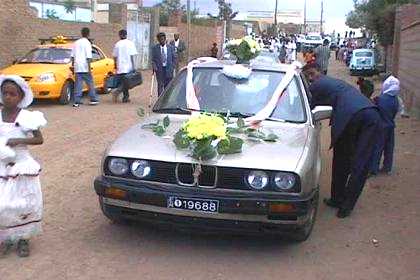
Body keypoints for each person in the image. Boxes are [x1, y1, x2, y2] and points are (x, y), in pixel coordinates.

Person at [302, 64, 381, 218]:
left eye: (310, 75)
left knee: (348, 161)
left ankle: (342, 203)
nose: (310, 79)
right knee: (354, 161)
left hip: (355, 117)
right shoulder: (334, 82)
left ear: (314, 73)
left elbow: (307, 109)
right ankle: (341, 201)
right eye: (308, 77)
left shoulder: (316, 86)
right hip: (370, 115)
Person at [0, 75, 47, 257]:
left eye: (13, 94)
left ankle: (23, 239)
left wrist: (18, 140)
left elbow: (39, 139)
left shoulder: (27, 117)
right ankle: (7, 238)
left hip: (22, 167)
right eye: (5, 93)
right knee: (4, 204)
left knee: (24, 204)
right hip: (3, 167)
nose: (8, 97)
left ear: (21, 97)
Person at [369, 75, 400, 175]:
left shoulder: (379, 99)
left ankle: (373, 168)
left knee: (377, 147)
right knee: (389, 148)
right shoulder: (396, 100)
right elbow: (397, 112)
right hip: (391, 126)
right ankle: (387, 167)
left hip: (381, 127)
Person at [71, 27, 99, 107]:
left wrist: (73, 66)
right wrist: (89, 68)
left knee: (78, 84)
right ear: (88, 34)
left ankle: (77, 101)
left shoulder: (76, 43)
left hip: (77, 67)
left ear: (81, 33)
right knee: (90, 83)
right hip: (85, 67)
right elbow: (89, 57)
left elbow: (72, 56)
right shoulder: (87, 43)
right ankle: (93, 99)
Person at [112, 29, 138, 103]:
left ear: (120, 35)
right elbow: (132, 56)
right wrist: (134, 66)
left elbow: (115, 56)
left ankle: (125, 97)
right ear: (126, 35)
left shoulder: (117, 44)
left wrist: (115, 65)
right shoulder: (130, 43)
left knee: (123, 82)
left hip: (120, 66)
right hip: (128, 67)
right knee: (126, 83)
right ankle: (118, 91)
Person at [152, 32, 176, 96]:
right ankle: (160, 100)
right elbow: (153, 60)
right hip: (159, 70)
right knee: (160, 85)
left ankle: (166, 99)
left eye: (162, 39)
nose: (161, 41)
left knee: (168, 86)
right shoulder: (155, 48)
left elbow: (174, 58)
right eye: (160, 40)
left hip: (168, 69)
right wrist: (154, 66)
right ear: (158, 40)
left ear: (165, 39)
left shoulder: (170, 47)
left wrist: (173, 67)